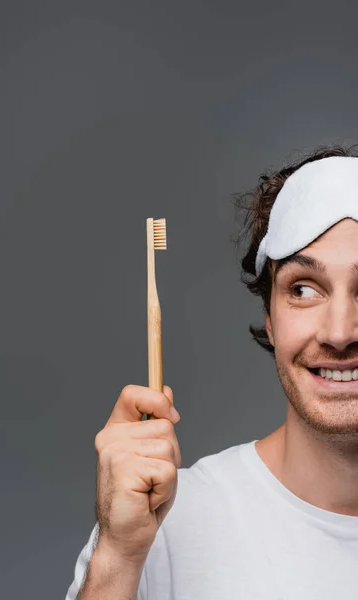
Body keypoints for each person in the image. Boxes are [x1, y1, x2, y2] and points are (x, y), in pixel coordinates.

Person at [65, 144, 358, 600]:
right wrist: (119, 556)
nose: (340, 332)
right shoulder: (160, 529)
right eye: (303, 289)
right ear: (270, 317)